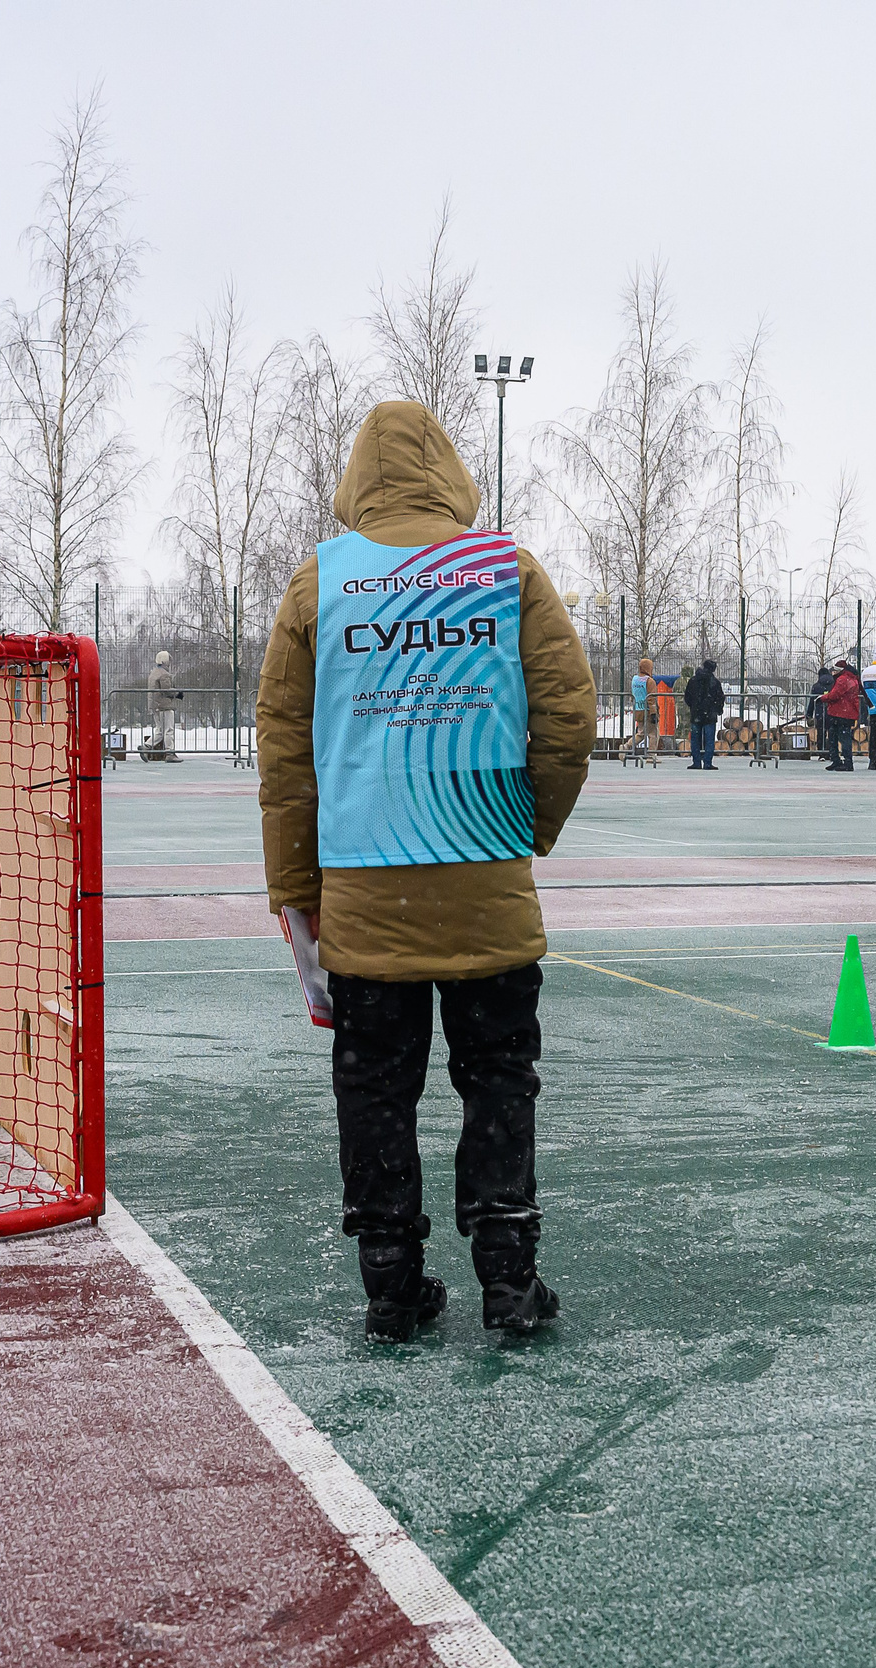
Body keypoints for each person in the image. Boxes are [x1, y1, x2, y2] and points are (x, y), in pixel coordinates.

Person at [255, 400, 596, 1340]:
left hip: (366, 891)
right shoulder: (504, 570)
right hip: (486, 882)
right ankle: (509, 1282)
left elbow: (284, 758)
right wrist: (527, 830)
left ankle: (393, 1290)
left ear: (358, 477)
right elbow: (569, 720)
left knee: (375, 1089)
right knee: (498, 1081)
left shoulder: (319, 584)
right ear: (447, 467)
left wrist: (298, 892)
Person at [820, 659, 862, 770]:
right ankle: (844, 761)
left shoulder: (842, 680)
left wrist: (823, 698)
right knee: (843, 737)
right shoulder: (852, 679)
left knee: (835, 737)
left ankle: (841, 761)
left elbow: (835, 695)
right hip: (846, 713)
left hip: (839, 713)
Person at [685, 658, 726, 769]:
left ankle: (696, 762)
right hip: (710, 715)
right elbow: (720, 697)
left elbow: (687, 697)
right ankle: (707, 763)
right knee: (709, 740)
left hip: (696, 714)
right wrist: (717, 709)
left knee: (695, 739)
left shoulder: (693, 680)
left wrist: (693, 706)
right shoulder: (715, 682)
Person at [146, 649, 184, 762]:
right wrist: (178, 693)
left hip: (155, 705)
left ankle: (146, 746)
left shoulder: (153, 673)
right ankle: (170, 753)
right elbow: (167, 690)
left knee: (160, 730)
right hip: (164, 705)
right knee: (168, 730)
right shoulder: (164, 674)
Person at [627, 657, 654, 762]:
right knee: (653, 734)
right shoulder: (649, 681)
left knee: (641, 732)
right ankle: (651, 755)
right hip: (647, 710)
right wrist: (654, 712)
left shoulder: (635, 679)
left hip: (638, 709)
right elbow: (651, 698)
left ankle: (626, 746)